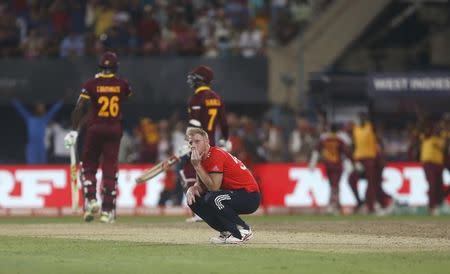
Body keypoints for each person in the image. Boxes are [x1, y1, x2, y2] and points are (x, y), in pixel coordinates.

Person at [64, 51, 132, 223]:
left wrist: (74, 130)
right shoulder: (122, 84)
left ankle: (91, 200)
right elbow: (128, 96)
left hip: (95, 129)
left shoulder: (91, 84)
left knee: (88, 166)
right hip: (114, 130)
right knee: (110, 168)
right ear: (116, 67)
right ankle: (108, 211)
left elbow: (80, 106)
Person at [185, 127, 260, 244]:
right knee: (194, 199)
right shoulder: (201, 159)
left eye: (197, 141)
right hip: (232, 194)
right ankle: (227, 231)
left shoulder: (215, 155)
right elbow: (201, 186)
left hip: (248, 195)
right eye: (191, 142)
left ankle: (242, 230)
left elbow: (214, 187)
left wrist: (197, 166)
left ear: (206, 141)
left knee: (215, 198)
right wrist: (192, 188)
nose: (193, 145)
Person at [182, 65, 230, 222]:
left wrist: (188, 143)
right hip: (212, 142)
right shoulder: (216, 97)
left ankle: (198, 212)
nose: (191, 81)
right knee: (207, 176)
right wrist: (225, 140)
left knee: (189, 173)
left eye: (194, 78)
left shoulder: (196, 98)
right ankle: (213, 210)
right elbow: (224, 123)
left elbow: (194, 124)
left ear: (199, 80)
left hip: (197, 141)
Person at [308, 124, 353, 214]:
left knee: (333, 185)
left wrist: (313, 162)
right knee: (335, 185)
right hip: (337, 165)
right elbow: (346, 152)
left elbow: (317, 150)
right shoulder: (340, 139)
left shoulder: (325, 139)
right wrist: (350, 164)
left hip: (328, 164)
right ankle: (334, 205)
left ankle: (334, 205)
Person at [12, 99, 63, 164]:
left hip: (41, 147)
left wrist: (62, 100)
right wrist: (13, 99)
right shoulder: (29, 118)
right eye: (39, 107)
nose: (41, 109)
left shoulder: (45, 118)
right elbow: (20, 108)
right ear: (36, 108)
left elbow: (55, 109)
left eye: (42, 107)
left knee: (42, 167)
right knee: (32, 168)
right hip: (31, 147)